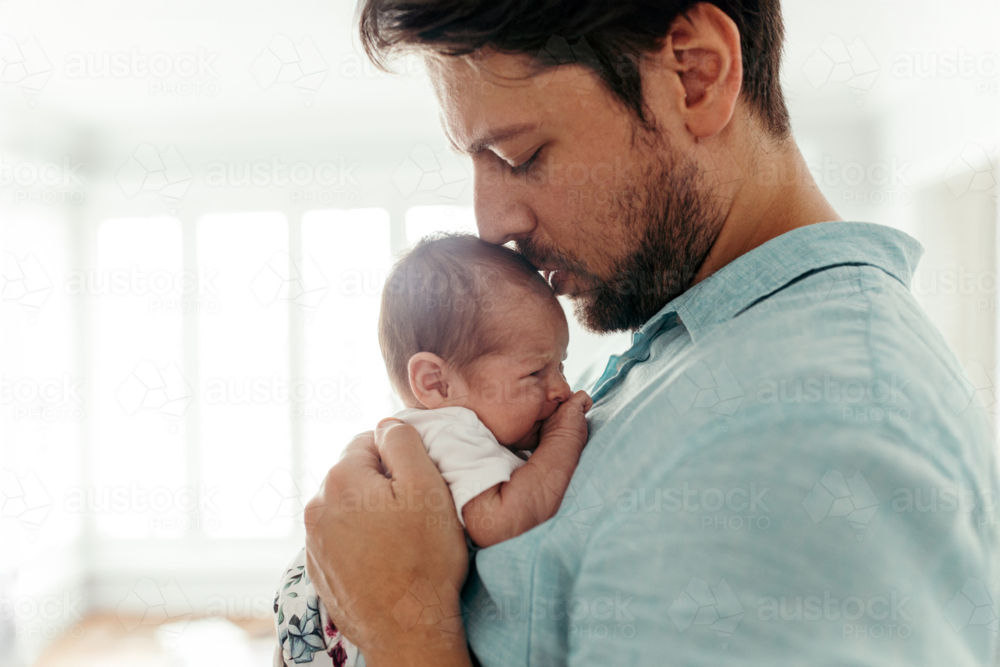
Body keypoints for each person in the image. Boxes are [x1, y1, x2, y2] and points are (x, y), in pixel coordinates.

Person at [302, 1, 999, 665]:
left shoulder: (806, 430)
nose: (491, 224)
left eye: (521, 156)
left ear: (694, 76)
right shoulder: (701, 342)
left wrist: (404, 623)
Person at [274, 235, 592, 667]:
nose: (561, 389)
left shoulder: (451, 426)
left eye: (561, 365)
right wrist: (565, 438)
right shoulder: (451, 429)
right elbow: (501, 522)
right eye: (536, 372)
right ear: (436, 384)